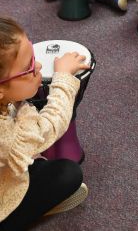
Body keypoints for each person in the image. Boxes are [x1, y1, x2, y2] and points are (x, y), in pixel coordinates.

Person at [0, 17, 89, 230]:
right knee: (69, 174)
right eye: (28, 67)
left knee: (35, 162)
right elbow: (49, 124)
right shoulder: (7, 138)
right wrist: (63, 78)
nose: (38, 65)